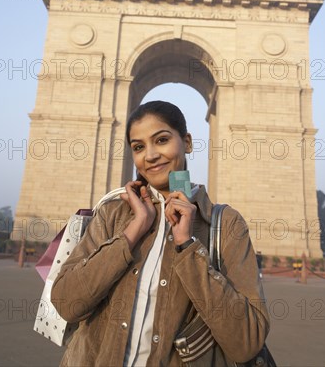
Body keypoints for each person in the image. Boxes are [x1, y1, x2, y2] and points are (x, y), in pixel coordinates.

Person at [51, 100, 270, 366]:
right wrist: (134, 230)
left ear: (187, 142)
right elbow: (66, 303)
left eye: (162, 140)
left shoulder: (226, 225)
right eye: (139, 147)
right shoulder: (112, 214)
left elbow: (246, 343)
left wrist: (187, 246)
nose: (151, 155)